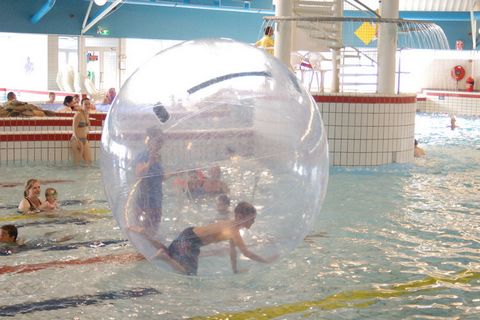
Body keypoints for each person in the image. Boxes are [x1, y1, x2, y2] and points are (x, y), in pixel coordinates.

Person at [141, 201, 276, 275]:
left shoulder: (229, 224)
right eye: (251, 219)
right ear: (241, 217)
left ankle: (144, 235)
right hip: (192, 241)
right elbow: (246, 253)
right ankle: (164, 258)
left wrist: (235, 270)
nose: (253, 222)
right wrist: (266, 261)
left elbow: (233, 251)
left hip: (188, 232)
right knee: (189, 273)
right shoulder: (234, 231)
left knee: (170, 251)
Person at [132, 127, 168, 236]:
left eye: (161, 141)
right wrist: (150, 162)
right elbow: (138, 174)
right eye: (158, 141)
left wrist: (175, 174)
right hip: (145, 200)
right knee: (144, 233)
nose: (160, 144)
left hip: (156, 198)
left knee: (153, 232)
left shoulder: (157, 156)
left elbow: (158, 177)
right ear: (150, 140)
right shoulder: (143, 155)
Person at [70, 97, 93, 165]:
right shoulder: (78, 114)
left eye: (89, 104)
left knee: (89, 161)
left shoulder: (87, 114)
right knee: (78, 162)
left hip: (84, 140)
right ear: (82, 105)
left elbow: (89, 127)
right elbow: (74, 130)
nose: (88, 106)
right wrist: (78, 141)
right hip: (76, 140)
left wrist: (88, 123)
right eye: (85, 104)